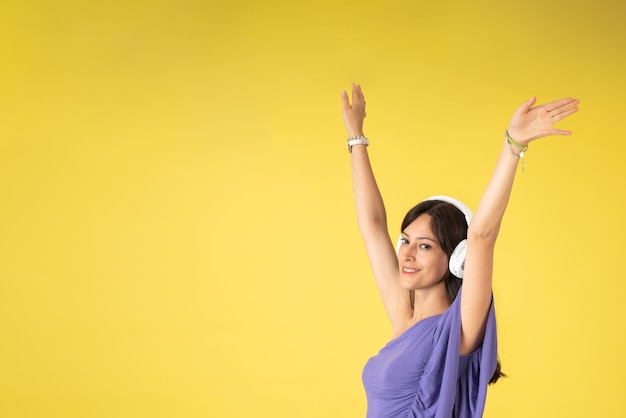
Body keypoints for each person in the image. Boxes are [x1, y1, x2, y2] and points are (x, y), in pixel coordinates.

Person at [340, 83, 579, 418]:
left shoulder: (461, 326)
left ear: (456, 258)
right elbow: (372, 225)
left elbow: (482, 235)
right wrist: (356, 137)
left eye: (424, 246)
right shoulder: (403, 313)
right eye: (405, 241)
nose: (407, 254)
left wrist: (514, 144)